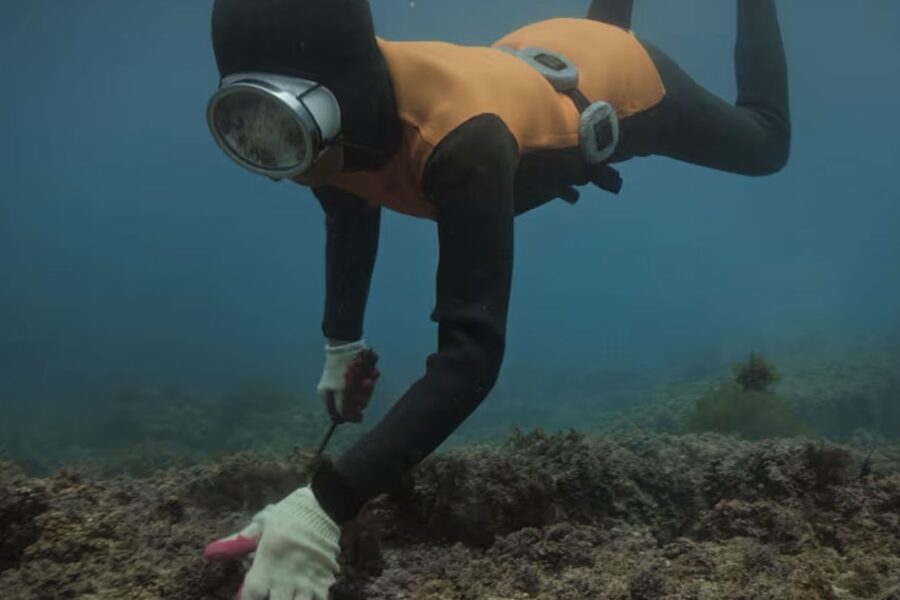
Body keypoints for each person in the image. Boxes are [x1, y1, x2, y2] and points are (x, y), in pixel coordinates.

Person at [202, 0, 791, 598]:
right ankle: (605, 22)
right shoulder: (326, 135)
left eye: (278, 124)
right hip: (527, 57)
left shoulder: (462, 144)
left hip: (612, 73)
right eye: (246, 124)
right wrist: (342, 344)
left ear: (332, 103)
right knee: (590, 38)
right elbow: (350, 207)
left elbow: (469, 360)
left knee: (766, 143)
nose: (276, 158)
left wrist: (324, 506)